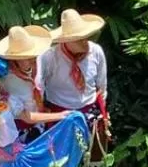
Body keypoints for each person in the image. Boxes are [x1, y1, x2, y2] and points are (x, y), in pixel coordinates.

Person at [40, 8, 109, 154]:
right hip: (59, 115)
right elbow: (38, 88)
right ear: (66, 40)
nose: (85, 42)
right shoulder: (49, 57)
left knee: (93, 156)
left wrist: (103, 112)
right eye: (79, 39)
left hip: (90, 112)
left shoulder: (96, 51)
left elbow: (102, 87)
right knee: (60, 158)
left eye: (86, 36)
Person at [0, 24, 53, 138]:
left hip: (43, 120)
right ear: (15, 59)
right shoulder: (7, 81)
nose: (33, 59)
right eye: (27, 57)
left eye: (34, 55)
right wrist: (60, 115)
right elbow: (25, 116)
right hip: (23, 130)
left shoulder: (39, 63)